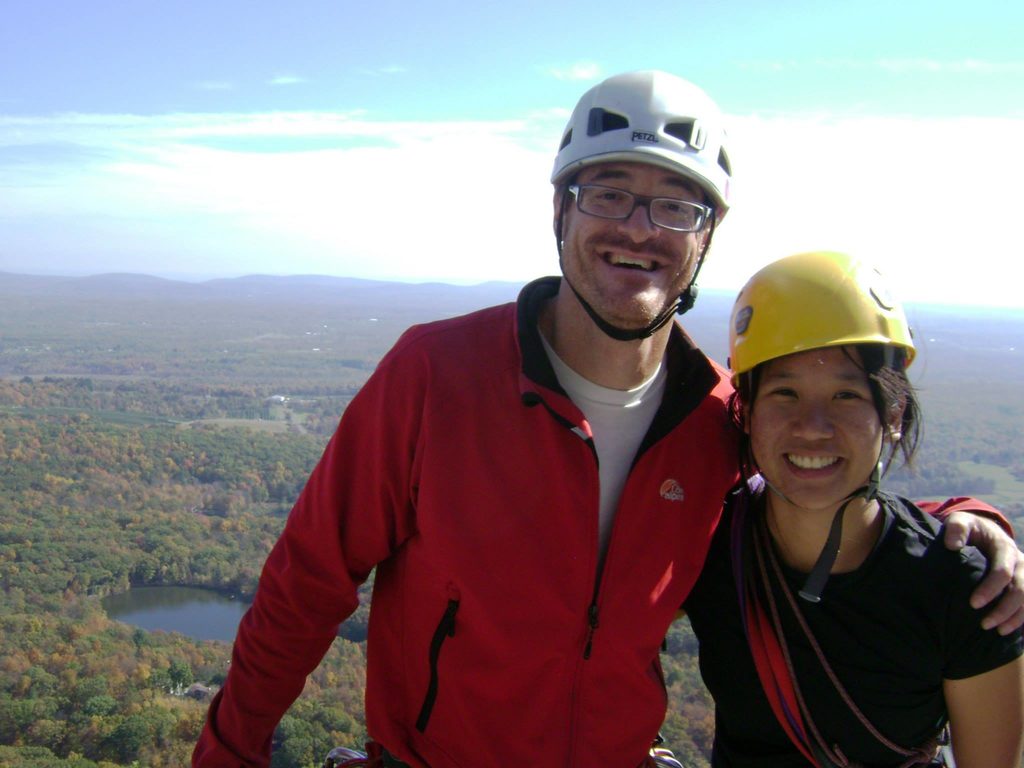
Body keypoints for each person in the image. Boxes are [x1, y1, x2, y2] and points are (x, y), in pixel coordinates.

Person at [193, 72, 1024, 768]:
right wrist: (228, 751)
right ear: (561, 209)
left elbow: (815, 485)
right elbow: (307, 585)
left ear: (706, 237)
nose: (638, 228)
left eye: (675, 207)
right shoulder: (435, 375)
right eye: (610, 192)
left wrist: (969, 524)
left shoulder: (720, 416)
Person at [683, 251, 1024, 767]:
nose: (813, 426)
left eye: (846, 395)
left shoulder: (966, 590)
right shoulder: (703, 545)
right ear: (746, 412)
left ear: (892, 415)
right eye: (785, 393)